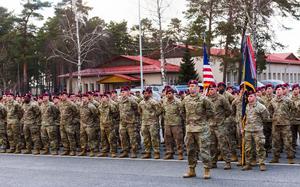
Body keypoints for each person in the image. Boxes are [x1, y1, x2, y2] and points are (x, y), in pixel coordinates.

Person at [182, 80, 214, 179]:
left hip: (202, 129)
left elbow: (211, 111)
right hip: (190, 129)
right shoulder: (185, 99)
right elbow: (182, 112)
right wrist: (189, 122)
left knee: (204, 151)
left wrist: (203, 120)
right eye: (190, 86)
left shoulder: (204, 99)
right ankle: (192, 170)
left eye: (193, 86)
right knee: (190, 151)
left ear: (198, 88)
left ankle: (207, 170)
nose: (191, 88)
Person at [242, 90, 269, 171]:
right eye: (248, 96)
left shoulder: (261, 107)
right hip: (248, 130)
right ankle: (248, 164)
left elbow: (266, 117)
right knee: (248, 148)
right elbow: (244, 118)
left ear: (255, 97)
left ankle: (262, 164)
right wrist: (243, 128)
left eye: (251, 96)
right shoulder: (246, 106)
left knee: (260, 147)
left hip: (257, 130)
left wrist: (259, 124)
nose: (249, 98)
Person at [207, 83, 232, 169]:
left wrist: (222, 118)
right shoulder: (206, 99)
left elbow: (229, 110)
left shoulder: (221, 98)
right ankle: (213, 162)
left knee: (223, 144)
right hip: (210, 125)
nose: (211, 90)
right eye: (210, 89)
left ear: (216, 89)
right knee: (212, 145)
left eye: (213, 89)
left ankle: (227, 162)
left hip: (220, 125)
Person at [268, 85, 296, 164]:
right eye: (277, 90)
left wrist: (289, 117)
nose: (278, 91)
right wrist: (272, 117)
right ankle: (275, 158)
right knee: (276, 142)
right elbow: (269, 110)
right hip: (276, 124)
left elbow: (293, 109)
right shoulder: (273, 100)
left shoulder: (288, 100)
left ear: (283, 91)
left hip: (285, 124)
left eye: (279, 89)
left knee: (288, 142)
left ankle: (290, 158)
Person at [138, 87, 161, 159]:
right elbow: (140, 111)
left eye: (146, 93)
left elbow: (159, 110)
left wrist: (153, 116)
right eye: (144, 93)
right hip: (144, 122)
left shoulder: (154, 102)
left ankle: (156, 152)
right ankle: (147, 152)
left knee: (154, 138)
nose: (145, 95)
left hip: (152, 123)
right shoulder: (141, 103)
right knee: (146, 138)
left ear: (150, 94)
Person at [161, 87, 184, 160]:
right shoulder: (164, 101)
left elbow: (182, 112)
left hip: (176, 123)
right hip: (167, 123)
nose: (168, 95)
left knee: (178, 139)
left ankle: (180, 153)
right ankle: (169, 153)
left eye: (169, 93)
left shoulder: (178, 102)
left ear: (173, 94)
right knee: (168, 139)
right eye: (167, 94)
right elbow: (163, 111)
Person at [117, 86, 139, 158]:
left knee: (132, 138)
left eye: (124, 92)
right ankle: (125, 151)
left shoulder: (132, 100)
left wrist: (132, 117)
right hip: (122, 122)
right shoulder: (119, 100)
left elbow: (137, 109)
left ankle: (134, 152)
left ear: (128, 92)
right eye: (121, 92)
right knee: (123, 137)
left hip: (130, 122)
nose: (122, 93)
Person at [98, 93, 118, 158]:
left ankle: (113, 152)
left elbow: (115, 113)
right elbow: (99, 114)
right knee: (103, 139)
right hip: (102, 125)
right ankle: (104, 151)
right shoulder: (100, 106)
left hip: (110, 124)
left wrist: (112, 121)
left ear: (107, 98)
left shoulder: (111, 105)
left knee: (111, 139)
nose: (103, 98)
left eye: (104, 97)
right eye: (102, 97)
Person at [59, 92, 78, 156]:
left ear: (66, 96)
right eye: (61, 95)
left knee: (71, 138)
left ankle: (73, 150)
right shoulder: (61, 103)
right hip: (62, 123)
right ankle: (66, 149)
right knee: (64, 138)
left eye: (63, 95)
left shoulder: (71, 104)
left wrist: (73, 121)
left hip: (69, 124)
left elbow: (77, 112)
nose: (62, 97)